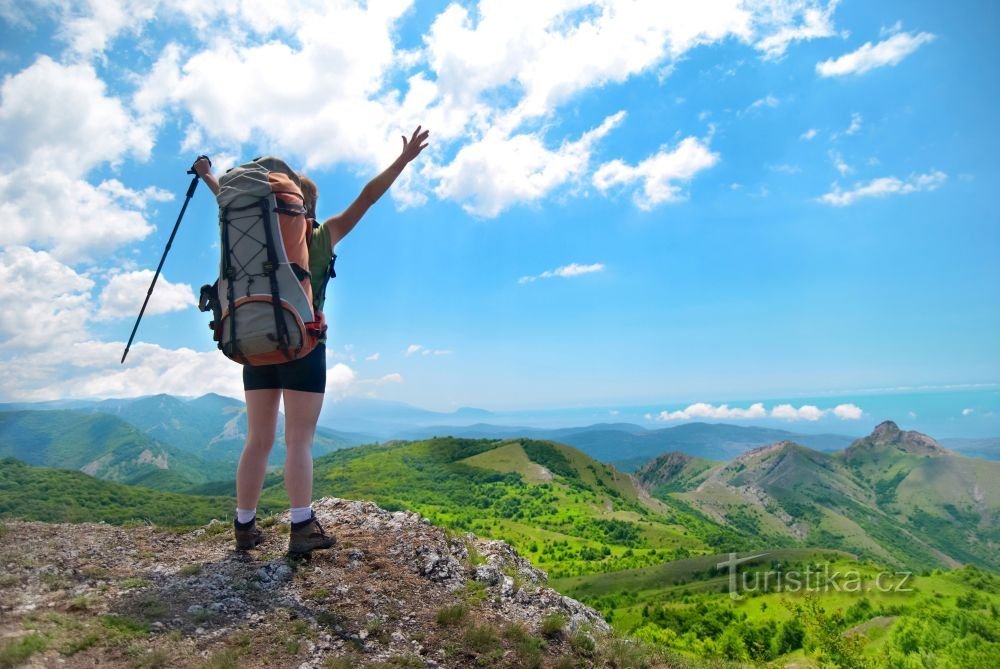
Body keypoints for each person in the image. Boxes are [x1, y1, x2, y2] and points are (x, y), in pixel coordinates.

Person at [193, 126, 430, 556]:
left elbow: (224, 199)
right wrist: (402, 161)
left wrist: (208, 174)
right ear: (306, 207)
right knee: (298, 440)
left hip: (253, 342)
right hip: (304, 345)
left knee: (257, 440)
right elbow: (367, 198)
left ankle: (244, 527)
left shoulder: (255, 233)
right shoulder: (321, 236)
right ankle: (302, 527)